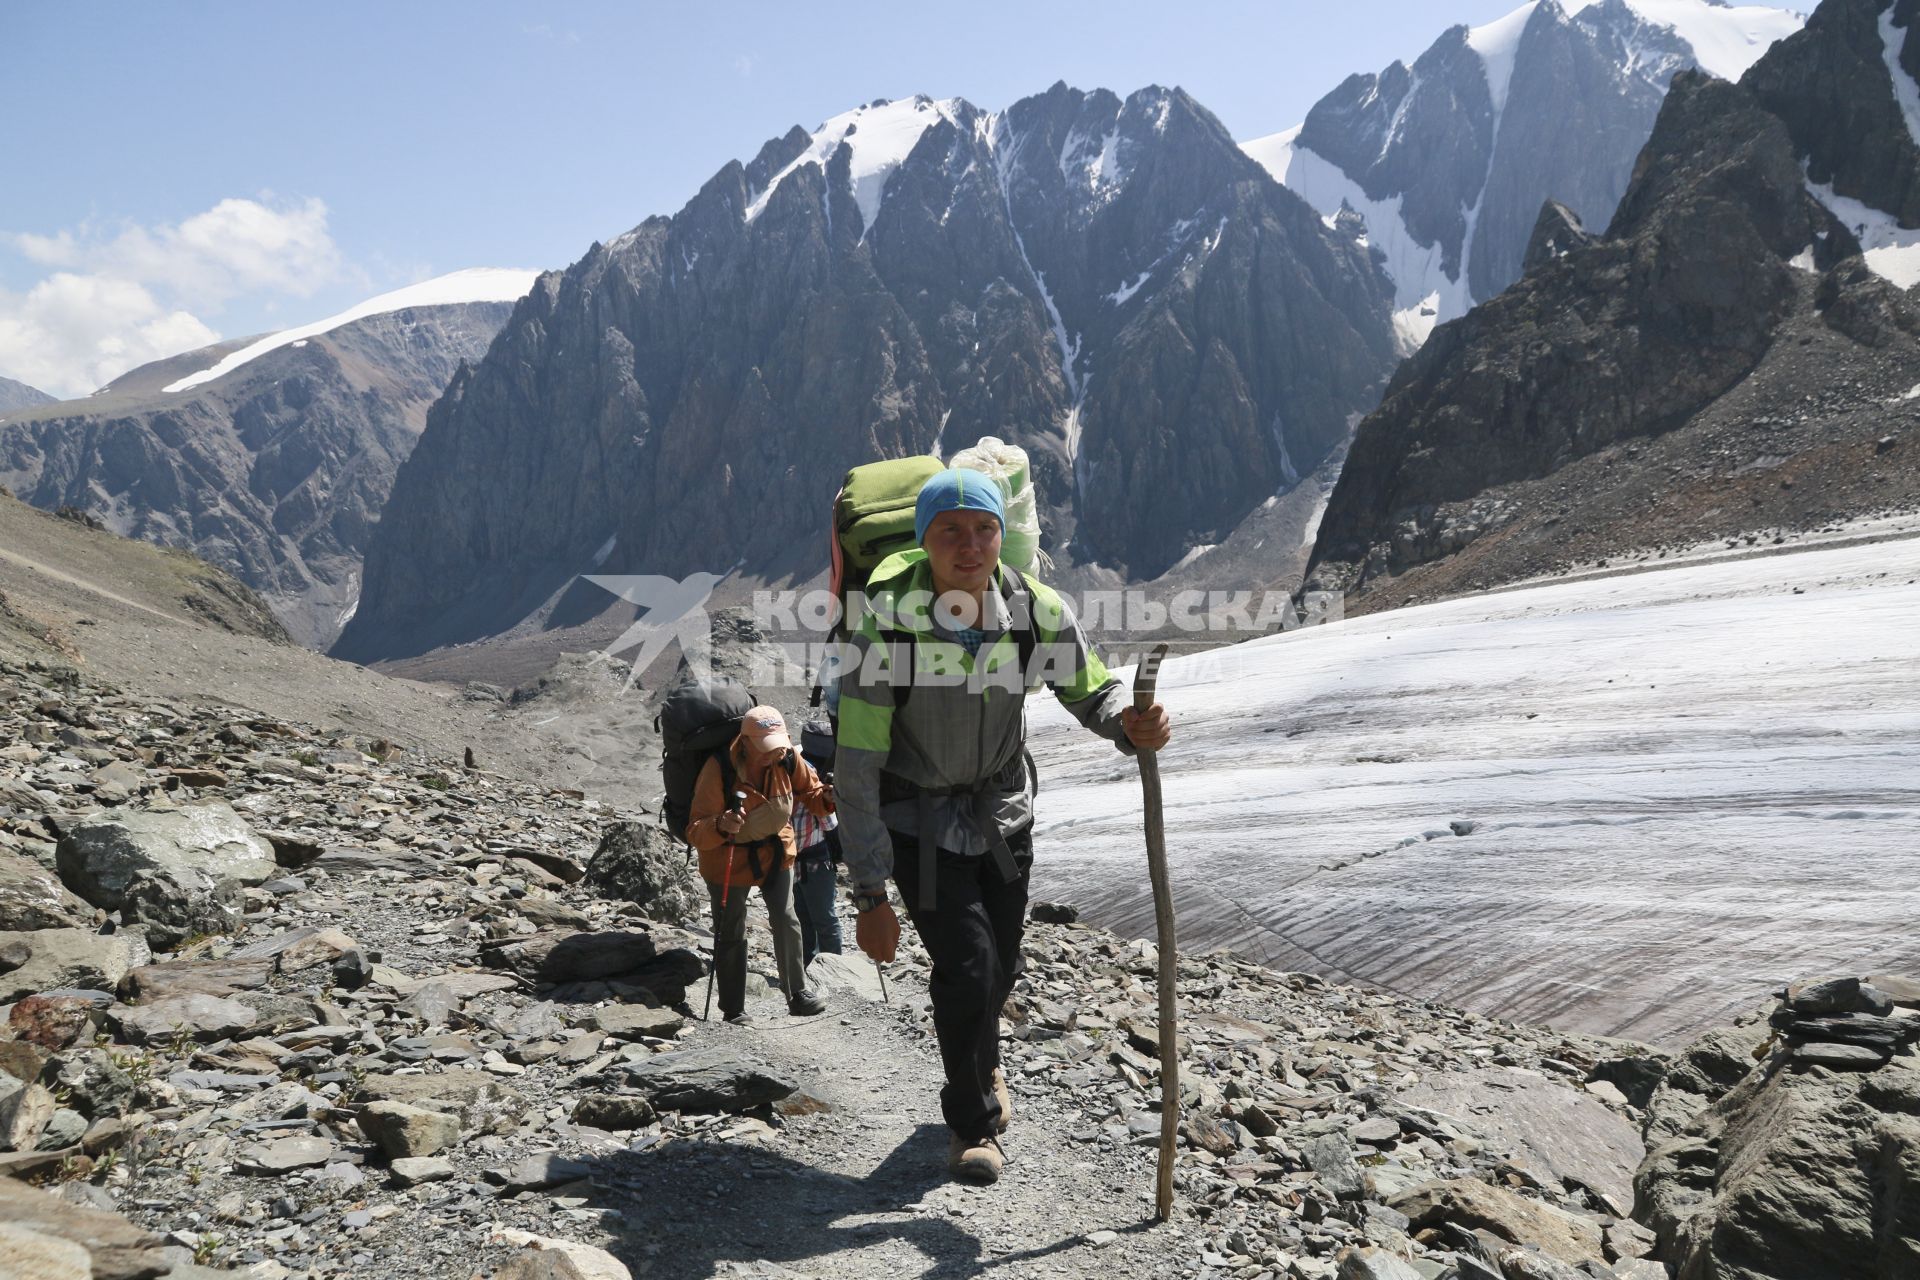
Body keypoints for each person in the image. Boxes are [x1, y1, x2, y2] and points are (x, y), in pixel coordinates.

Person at [835, 468, 1171, 1184]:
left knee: (1001, 968)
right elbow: (857, 765)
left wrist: (1129, 723)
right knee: (968, 968)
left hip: (1003, 819)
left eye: (984, 528)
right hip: (919, 829)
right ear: (924, 541)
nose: (970, 544)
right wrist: (870, 894)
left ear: (1001, 535)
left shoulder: (1030, 609)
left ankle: (983, 1068)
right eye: (949, 530)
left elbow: (1090, 689)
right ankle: (971, 1127)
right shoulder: (885, 626)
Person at [686, 705, 833, 1023]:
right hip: (727, 856)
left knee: (786, 918)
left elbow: (813, 793)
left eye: (777, 746)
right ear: (746, 742)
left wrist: (831, 796)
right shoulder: (718, 768)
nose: (772, 754)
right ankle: (733, 1009)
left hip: (776, 851)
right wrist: (722, 823)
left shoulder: (787, 758)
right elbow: (696, 829)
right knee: (731, 928)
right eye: (765, 749)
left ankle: (798, 994)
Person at [791, 792, 845, 964]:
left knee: (824, 921)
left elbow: (830, 825)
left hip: (817, 863)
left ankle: (834, 970)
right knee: (802, 920)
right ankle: (808, 970)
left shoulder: (813, 793)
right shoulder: (776, 787)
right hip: (792, 864)